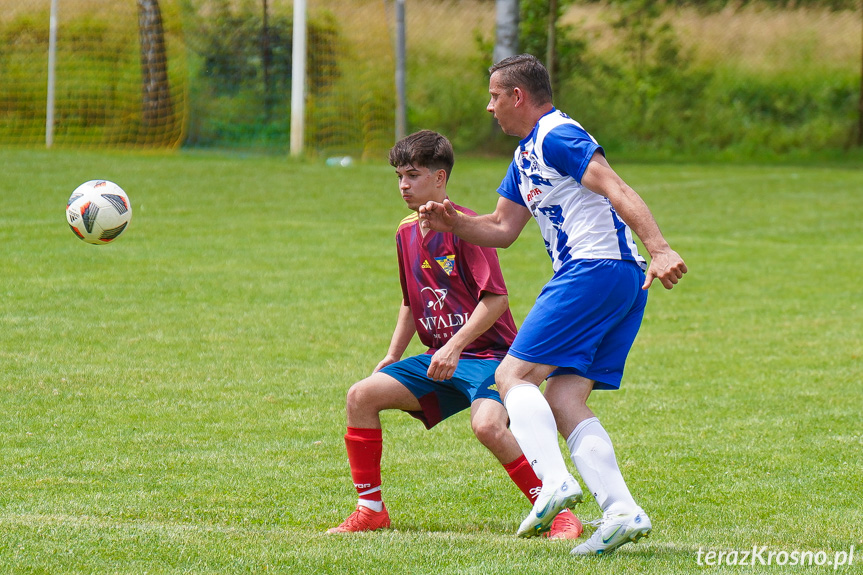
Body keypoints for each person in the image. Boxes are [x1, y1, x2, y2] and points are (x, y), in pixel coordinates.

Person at [418, 55, 687, 555]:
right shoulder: (525, 156)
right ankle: (621, 510)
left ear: (518, 96)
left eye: (495, 96)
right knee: (564, 398)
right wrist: (452, 221)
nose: (489, 106)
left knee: (512, 377)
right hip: (615, 279)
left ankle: (553, 483)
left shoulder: (555, 135)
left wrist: (661, 247)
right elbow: (500, 229)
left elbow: (614, 186)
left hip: (593, 269)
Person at [326, 129, 582, 539]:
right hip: (441, 360)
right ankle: (370, 510)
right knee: (360, 395)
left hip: (493, 360)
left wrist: (453, 346)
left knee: (487, 427)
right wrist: (393, 355)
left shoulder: (466, 228)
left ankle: (555, 511)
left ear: (440, 178)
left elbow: (495, 300)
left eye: (412, 174)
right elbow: (411, 300)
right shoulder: (405, 231)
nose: (403, 185)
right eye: (398, 176)